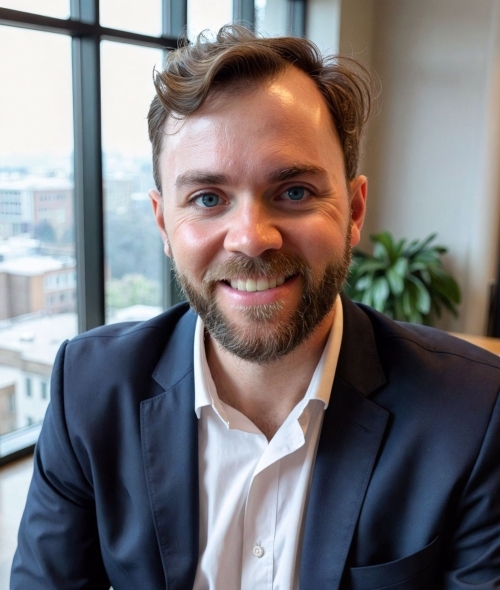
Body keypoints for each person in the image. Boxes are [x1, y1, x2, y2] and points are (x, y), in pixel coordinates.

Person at [11, 25, 500, 590]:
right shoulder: (88, 389)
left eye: (294, 192)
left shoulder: (475, 410)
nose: (251, 238)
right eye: (207, 198)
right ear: (164, 224)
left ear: (354, 211)